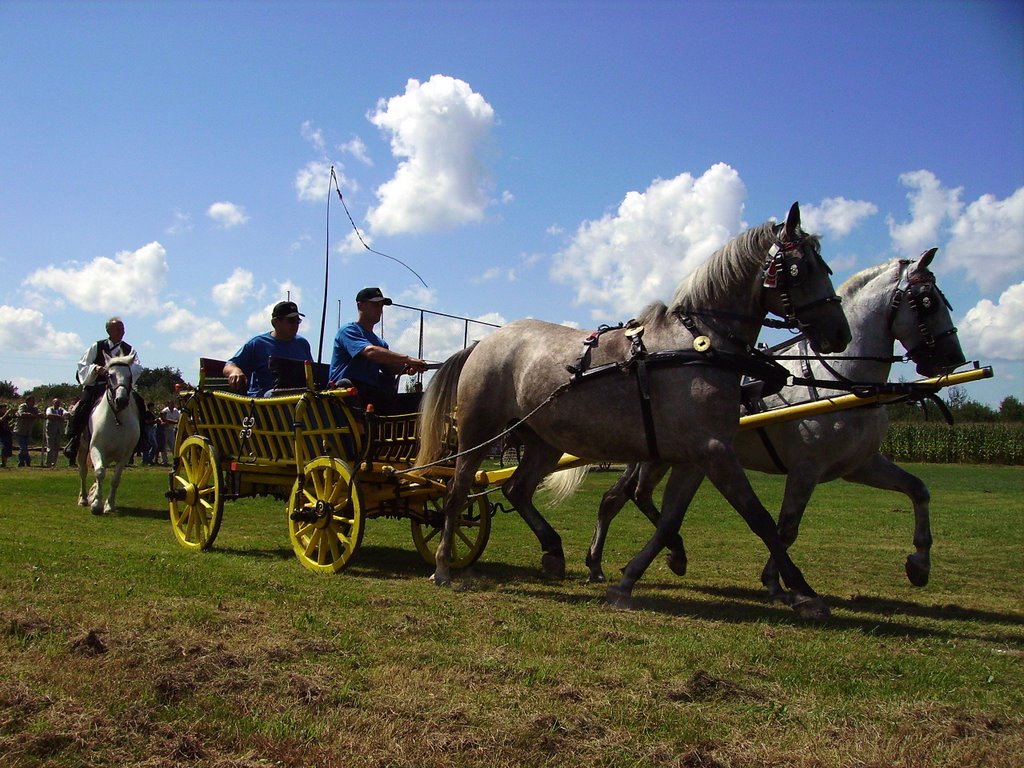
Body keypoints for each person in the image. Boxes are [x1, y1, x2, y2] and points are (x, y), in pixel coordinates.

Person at [329, 287, 428, 412]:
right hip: (345, 395)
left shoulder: (381, 343)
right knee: (350, 388)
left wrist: (407, 368)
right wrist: (408, 359)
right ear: (360, 306)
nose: (380, 309)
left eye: (381, 305)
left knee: (417, 402)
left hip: (371, 394)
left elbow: (388, 368)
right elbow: (370, 352)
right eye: (376, 304)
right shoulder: (348, 331)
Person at [64, 317, 143, 461]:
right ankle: (74, 439)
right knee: (83, 405)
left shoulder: (129, 349)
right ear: (109, 331)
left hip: (119, 386)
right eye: (118, 329)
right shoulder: (97, 346)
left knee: (140, 403)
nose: (122, 332)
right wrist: (95, 369)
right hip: (98, 386)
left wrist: (124, 371)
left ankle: (141, 439)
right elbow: (83, 365)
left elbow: (138, 367)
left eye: (123, 329)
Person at [224, 301, 314, 397]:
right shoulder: (257, 344)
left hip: (297, 398)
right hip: (264, 403)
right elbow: (229, 365)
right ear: (275, 322)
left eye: (298, 321)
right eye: (291, 320)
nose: (296, 324)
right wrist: (235, 371)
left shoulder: (302, 344)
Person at [14, 395, 40, 467]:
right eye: (32, 401)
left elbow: (38, 415)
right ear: (28, 401)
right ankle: (28, 460)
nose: (34, 402)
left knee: (24, 448)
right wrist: (31, 415)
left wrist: (37, 415)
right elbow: (21, 413)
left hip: (28, 431)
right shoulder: (23, 406)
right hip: (19, 430)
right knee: (23, 448)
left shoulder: (34, 408)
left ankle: (21, 462)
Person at [44, 398, 67, 467]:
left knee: (57, 447)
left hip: (58, 430)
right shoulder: (50, 409)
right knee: (50, 446)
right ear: (53, 403)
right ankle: (48, 462)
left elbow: (66, 414)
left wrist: (63, 416)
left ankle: (54, 462)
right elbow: (49, 415)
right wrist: (59, 417)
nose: (57, 404)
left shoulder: (61, 409)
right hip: (51, 430)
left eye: (58, 402)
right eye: (56, 402)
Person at [159, 399, 181, 464]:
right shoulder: (165, 410)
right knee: (164, 446)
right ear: (168, 404)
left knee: (174, 445)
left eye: (173, 403)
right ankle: (164, 461)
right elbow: (164, 419)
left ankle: (177, 460)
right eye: (171, 403)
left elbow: (179, 418)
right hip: (165, 430)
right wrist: (174, 422)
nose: (172, 405)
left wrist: (173, 422)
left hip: (171, 430)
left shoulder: (176, 410)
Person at [0, 403, 14, 468]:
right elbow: (1, 419)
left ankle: (4, 463)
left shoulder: (6, 416)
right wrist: (8, 412)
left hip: (7, 433)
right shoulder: (3, 415)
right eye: (4, 408)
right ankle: (2, 462)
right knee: (4, 448)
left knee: (7, 448)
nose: (5, 409)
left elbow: (8, 424)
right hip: (2, 434)